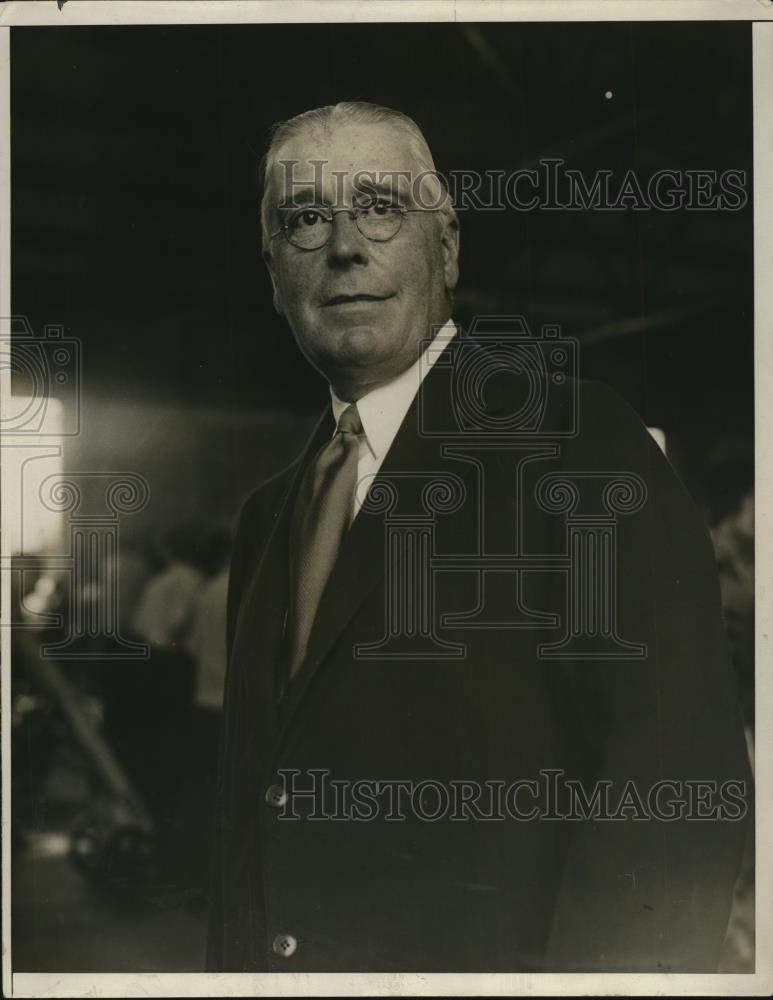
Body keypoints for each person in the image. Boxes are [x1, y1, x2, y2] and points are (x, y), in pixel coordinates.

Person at [207, 102, 752, 973]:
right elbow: (254, 823)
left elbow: (675, 798)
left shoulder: (574, 447)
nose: (344, 244)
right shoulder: (266, 517)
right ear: (273, 271)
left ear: (448, 247)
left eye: (380, 206)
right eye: (305, 218)